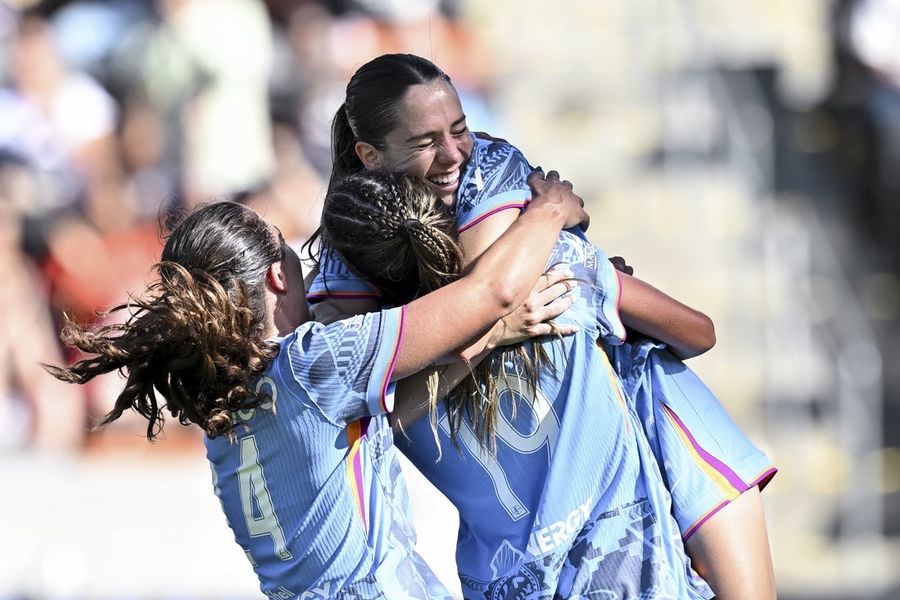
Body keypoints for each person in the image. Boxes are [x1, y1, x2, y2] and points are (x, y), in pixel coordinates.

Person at [307, 53, 777, 599]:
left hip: (639, 451)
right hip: (585, 549)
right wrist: (551, 216)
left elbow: (476, 301)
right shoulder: (556, 270)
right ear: (369, 155)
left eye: (460, 129)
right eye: (424, 141)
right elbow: (492, 294)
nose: (456, 152)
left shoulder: (529, 235)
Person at [43, 168, 588, 599]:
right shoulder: (311, 364)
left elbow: (381, 425)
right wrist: (549, 208)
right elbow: (490, 292)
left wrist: (489, 339)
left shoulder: (224, 409)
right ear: (277, 276)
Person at [319, 169, 714, 598]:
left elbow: (368, 416)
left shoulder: (376, 382)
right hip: (636, 572)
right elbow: (699, 334)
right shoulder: (561, 269)